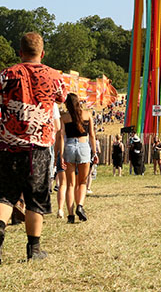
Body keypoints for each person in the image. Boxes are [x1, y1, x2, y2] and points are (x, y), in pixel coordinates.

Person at [0, 32, 68, 267]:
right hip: (38, 147)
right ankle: (33, 248)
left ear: (20, 52)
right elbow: (60, 98)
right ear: (42, 53)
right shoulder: (55, 76)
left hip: (7, 145)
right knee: (35, 198)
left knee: (4, 195)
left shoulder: (6, 75)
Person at [61, 93, 96, 223]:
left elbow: (61, 137)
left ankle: (70, 215)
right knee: (82, 182)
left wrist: (60, 154)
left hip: (69, 146)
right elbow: (91, 135)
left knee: (70, 184)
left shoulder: (64, 117)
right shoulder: (87, 115)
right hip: (83, 146)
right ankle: (80, 206)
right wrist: (95, 152)